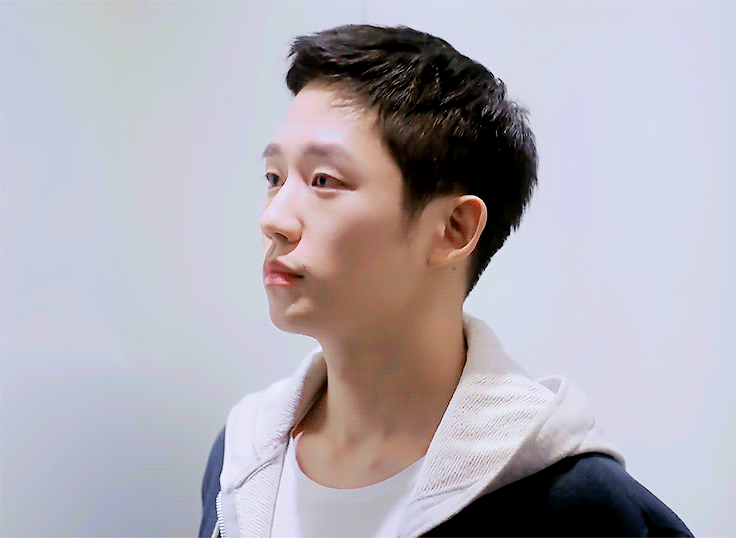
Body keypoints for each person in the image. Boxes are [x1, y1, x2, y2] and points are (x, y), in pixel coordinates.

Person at [199, 24, 692, 537]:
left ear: (454, 228)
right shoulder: (243, 459)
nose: (274, 219)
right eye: (274, 178)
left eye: (324, 180)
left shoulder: (573, 502)